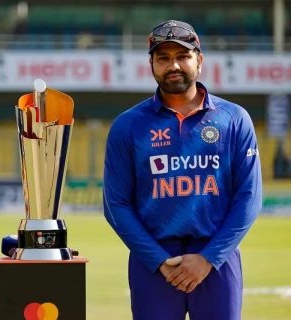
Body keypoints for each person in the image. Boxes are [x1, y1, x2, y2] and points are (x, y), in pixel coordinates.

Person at [103, 20, 262, 320]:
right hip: (154, 262)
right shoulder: (128, 126)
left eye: (183, 56)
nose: (173, 65)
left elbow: (249, 198)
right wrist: (160, 261)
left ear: (199, 61)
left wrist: (208, 259)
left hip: (216, 258)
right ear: (151, 64)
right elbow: (116, 206)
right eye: (163, 58)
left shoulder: (234, 119)